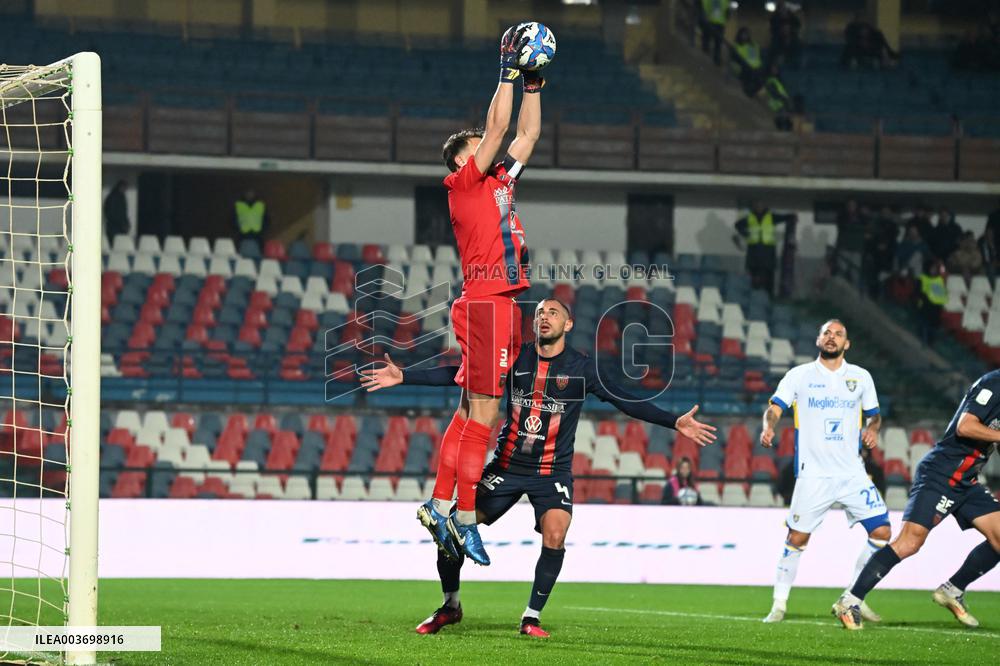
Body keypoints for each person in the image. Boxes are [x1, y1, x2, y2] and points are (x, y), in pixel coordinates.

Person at [360, 297, 717, 637]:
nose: (544, 317)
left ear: (568, 323)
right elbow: (465, 374)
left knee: (556, 534)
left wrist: (675, 423)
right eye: (540, 312)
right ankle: (450, 605)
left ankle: (531, 617)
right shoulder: (514, 358)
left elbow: (626, 400)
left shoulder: (581, 368)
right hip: (507, 465)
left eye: (553, 312)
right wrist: (405, 376)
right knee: (451, 528)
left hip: (552, 472)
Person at [418, 24, 544, 567]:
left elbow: (527, 135)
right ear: (461, 161)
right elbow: (498, 125)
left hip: (493, 302)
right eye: (476, 146)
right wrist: (507, 70)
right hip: (489, 301)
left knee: (470, 409)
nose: (487, 145)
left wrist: (534, 83)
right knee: (487, 415)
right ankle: (465, 518)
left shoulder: (499, 182)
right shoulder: (465, 183)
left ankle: (440, 503)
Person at [833, 370, 1000, 630]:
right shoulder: (994, 383)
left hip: (966, 479)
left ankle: (952, 590)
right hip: (941, 473)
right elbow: (965, 426)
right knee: (909, 543)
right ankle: (849, 600)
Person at [760, 319, 888, 624]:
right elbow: (775, 408)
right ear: (818, 340)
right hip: (813, 474)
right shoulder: (799, 376)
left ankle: (853, 596)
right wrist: (768, 427)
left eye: (838, 334)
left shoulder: (861, 377)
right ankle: (779, 604)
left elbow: (875, 416)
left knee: (882, 532)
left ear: (847, 344)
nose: (832, 338)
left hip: (852, 473)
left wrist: (873, 430)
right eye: (827, 333)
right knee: (797, 538)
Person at [734, 201, 796, 296]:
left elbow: (784, 218)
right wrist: (745, 234)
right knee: (753, 276)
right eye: (757, 206)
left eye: (761, 206)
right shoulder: (750, 218)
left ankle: (768, 296)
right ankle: (754, 296)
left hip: (768, 251)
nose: (759, 208)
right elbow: (737, 225)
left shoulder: (771, 217)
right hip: (753, 251)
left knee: (768, 276)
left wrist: (792, 216)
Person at [916, 259, 947, 345]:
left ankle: (931, 340)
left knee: (934, 319)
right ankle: (924, 338)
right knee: (925, 320)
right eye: (932, 268)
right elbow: (919, 294)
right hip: (924, 305)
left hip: (935, 307)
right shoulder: (922, 278)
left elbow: (940, 296)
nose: (934, 270)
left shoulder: (938, 280)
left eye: (935, 268)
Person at [730, 27, 765, 96]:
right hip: (742, 67)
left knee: (756, 74)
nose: (744, 36)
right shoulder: (736, 45)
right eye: (743, 34)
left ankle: (754, 88)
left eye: (746, 34)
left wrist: (754, 67)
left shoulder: (752, 45)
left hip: (753, 67)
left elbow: (754, 59)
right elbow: (734, 58)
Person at [768, 0, 802, 68]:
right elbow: (773, 28)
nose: (783, 10)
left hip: (792, 50)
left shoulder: (795, 40)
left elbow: (798, 24)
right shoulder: (776, 41)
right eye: (781, 8)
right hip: (779, 43)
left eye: (784, 8)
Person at [698, 0, 729, 66]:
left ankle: (709, 54)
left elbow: (703, 6)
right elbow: (728, 12)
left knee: (710, 40)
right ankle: (715, 58)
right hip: (719, 23)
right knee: (717, 42)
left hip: (712, 21)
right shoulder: (725, 1)